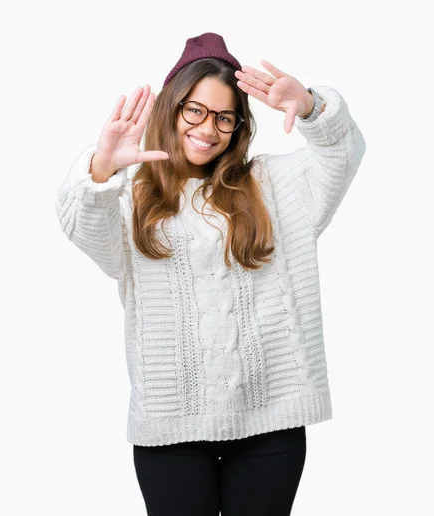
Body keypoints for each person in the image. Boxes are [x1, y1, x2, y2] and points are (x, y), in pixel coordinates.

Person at [55, 32, 366, 516]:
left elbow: (342, 154)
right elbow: (83, 231)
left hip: (270, 427)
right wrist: (100, 169)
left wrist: (309, 108)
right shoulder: (131, 194)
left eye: (225, 117)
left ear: (239, 125)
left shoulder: (274, 186)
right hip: (171, 429)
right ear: (172, 108)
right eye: (194, 111)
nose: (208, 128)